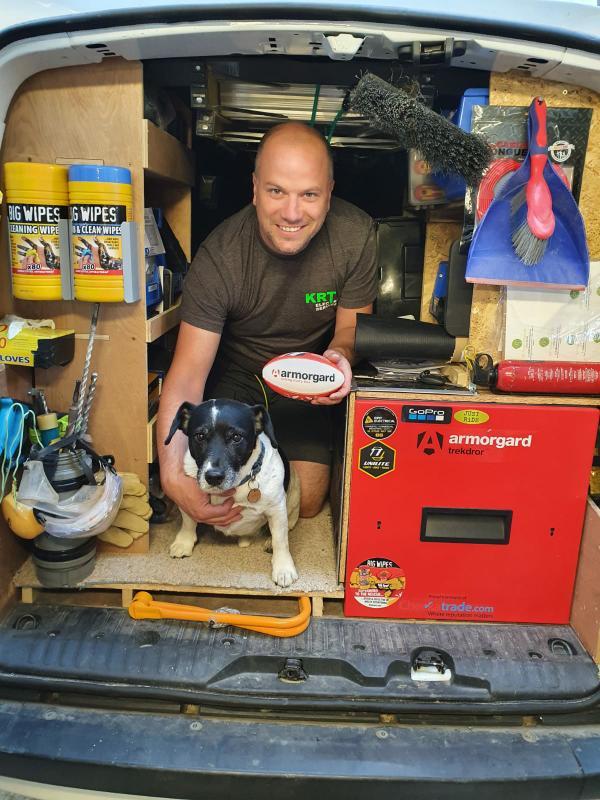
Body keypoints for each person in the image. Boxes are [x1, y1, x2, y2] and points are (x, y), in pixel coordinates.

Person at [157, 121, 378, 531]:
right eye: (276, 191)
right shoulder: (220, 256)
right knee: (212, 489)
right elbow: (187, 373)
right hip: (238, 374)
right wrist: (170, 479)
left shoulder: (356, 235)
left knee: (307, 499)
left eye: (309, 194)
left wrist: (338, 359)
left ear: (329, 192)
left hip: (307, 374)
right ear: (255, 188)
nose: (292, 213)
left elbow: (350, 331)